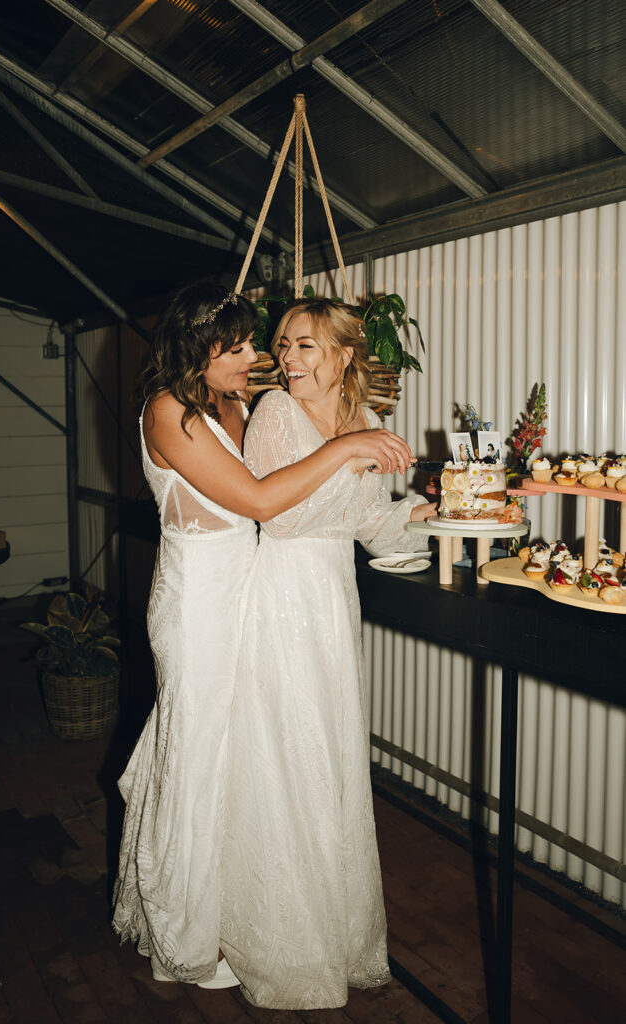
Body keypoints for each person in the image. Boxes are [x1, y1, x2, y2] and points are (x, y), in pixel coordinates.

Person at [111, 285, 416, 989]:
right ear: (197, 345)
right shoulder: (166, 412)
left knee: (226, 763)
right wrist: (347, 446)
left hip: (243, 592)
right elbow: (256, 500)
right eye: (241, 345)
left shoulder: (232, 405)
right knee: (193, 758)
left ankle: (216, 913)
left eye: (261, 343)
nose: (258, 358)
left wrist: (350, 447)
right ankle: (181, 943)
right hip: (195, 604)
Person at [220, 298, 436, 1009]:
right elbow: (274, 510)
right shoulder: (275, 415)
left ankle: (335, 934)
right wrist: (340, 455)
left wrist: (431, 512)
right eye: (283, 346)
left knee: (331, 761)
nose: (287, 360)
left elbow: (370, 526)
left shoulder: (366, 422)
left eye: (305, 347)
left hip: (333, 606)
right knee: (287, 759)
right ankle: (282, 945)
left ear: (344, 355)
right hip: (280, 598)